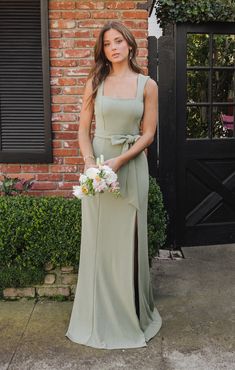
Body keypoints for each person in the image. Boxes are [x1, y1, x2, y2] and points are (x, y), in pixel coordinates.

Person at [65, 21, 162, 349]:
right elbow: (82, 129)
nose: (114, 48)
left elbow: (148, 133)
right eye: (107, 44)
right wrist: (91, 164)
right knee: (99, 242)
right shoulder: (95, 81)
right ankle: (96, 315)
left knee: (129, 242)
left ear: (130, 45)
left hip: (131, 165)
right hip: (99, 170)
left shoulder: (147, 85)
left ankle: (132, 313)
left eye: (118, 41)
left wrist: (120, 161)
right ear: (103, 50)